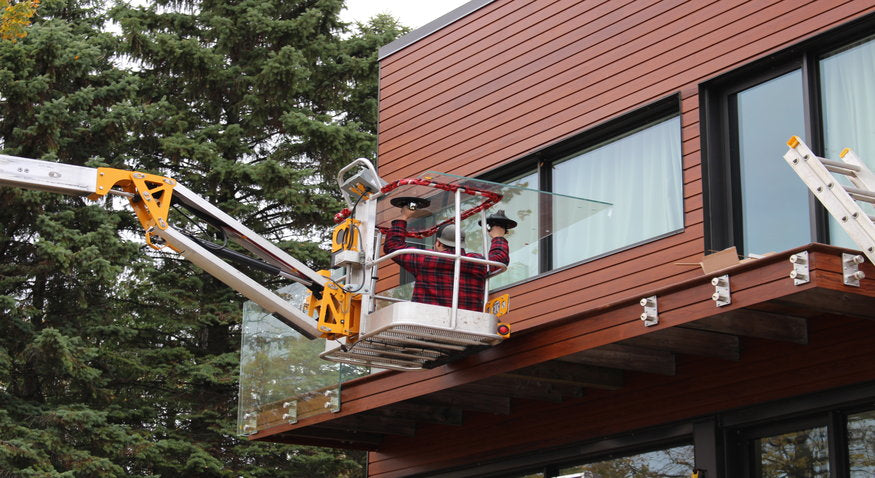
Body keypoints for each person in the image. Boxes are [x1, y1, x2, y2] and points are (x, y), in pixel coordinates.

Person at [383, 206, 509, 312]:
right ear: (462, 244)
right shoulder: (477, 262)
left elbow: (392, 246)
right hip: (465, 324)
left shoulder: (427, 260)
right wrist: (498, 236)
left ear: (438, 243)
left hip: (427, 320)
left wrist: (403, 216)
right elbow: (500, 259)